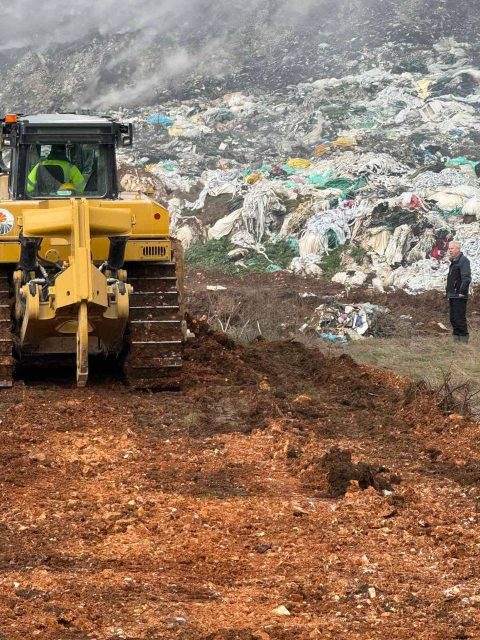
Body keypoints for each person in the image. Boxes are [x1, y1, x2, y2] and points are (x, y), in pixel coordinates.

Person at [446, 241, 471, 343]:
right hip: (452, 294)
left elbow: (466, 278)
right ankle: (456, 340)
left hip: (459, 295)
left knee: (459, 319)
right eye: (449, 249)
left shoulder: (463, 261)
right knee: (453, 319)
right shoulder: (454, 262)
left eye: (452, 248)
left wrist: (462, 291)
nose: (450, 250)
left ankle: (464, 340)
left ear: (458, 249)